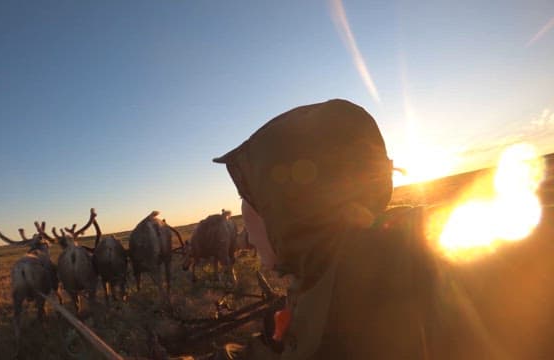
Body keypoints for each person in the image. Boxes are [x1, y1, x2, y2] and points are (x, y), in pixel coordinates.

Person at [211, 99, 520, 359]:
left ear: (287, 206)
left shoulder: (355, 309)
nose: (247, 235)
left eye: (247, 197)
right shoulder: (335, 270)